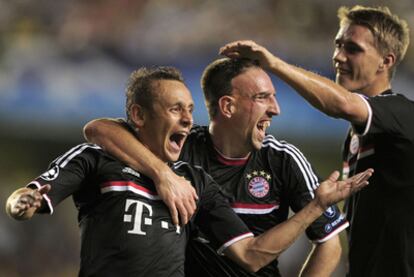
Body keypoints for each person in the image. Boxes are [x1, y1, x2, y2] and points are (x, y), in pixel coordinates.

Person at [6, 66, 372, 276]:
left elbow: (261, 254)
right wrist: (163, 174)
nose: (274, 109)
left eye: (189, 109)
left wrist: (314, 207)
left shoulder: (218, 175)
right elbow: (97, 130)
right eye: (262, 98)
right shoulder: (164, 158)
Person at [218, 5, 413, 277]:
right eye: (338, 45)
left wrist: (273, 63)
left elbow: (342, 104)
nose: (338, 56)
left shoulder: (402, 113)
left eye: (353, 49)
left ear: (386, 61)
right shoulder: (359, 136)